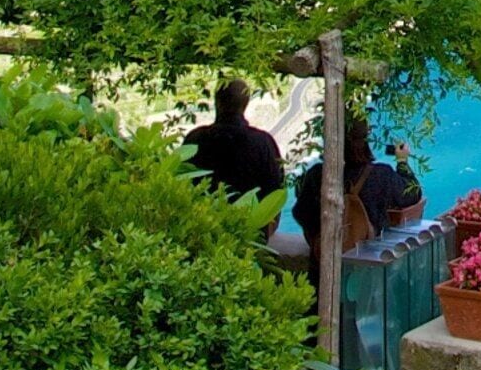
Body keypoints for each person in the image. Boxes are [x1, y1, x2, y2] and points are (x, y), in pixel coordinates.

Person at [290, 112, 422, 266]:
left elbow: (300, 211)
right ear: (364, 140)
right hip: (369, 265)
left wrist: (318, 238)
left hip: (323, 265)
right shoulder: (380, 175)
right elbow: (413, 193)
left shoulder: (317, 174)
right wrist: (402, 162)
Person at [181, 78, 286, 199]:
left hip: (202, 215)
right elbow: (275, 193)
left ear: (217, 102)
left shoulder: (194, 139)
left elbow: (182, 183)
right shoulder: (264, 142)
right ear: (245, 104)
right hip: (251, 216)